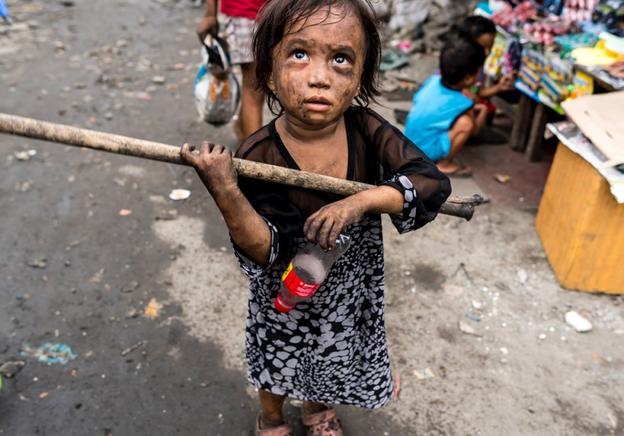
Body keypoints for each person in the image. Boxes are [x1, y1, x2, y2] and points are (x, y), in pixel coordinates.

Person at [182, 0, 451, 434]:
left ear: (361, 75)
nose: (320, 76)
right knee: (278, 357)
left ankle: (315, 409)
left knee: (328, 354)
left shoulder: (366, 129)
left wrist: (360, 201)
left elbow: (431, 183)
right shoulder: (259, 154)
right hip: (285, 291)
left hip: (346, 289)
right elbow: (264, 251)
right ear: (268, 71)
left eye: (341, 59)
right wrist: (227, 192)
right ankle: (270, 417)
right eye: (299, 54)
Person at [404, 37, 488, 177]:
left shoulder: (433, 80)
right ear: (468, 78)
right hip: (423, 153)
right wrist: (482, 110)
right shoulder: (465, 102)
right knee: (465, 124)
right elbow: (473, 131)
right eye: (479, 71)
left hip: (407, 143)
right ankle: (445, 165)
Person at [196, 0, 267, 141]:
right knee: (254, 88)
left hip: (260, 13)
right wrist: (210, 14)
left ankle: (242, 129)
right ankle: (254, 155)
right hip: (248, 13)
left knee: (256, 85)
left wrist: (211, 14)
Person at [458, 15, 514, 101]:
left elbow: (479, 91)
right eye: (481, 48)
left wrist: (499, 87)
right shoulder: (457, 68)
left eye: (491, 46)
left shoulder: (478, 64)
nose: (487, 52)